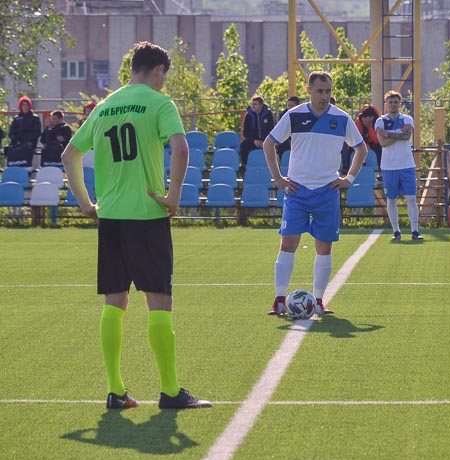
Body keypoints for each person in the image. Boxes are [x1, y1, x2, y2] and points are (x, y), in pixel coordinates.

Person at [61, 41, 211, 410]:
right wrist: (173, 196)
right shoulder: (160, 103)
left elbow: (70, 154)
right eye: (165, 75)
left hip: (110, 216)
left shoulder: (105, 106)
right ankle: (171, 391)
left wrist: (85, 203)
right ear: (158, 70)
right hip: (147, 215)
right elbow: (180, 148)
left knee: (115, 300)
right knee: (158, 300)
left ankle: (115, 391)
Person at [262, 70, 367, 316]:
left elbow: (361, 150)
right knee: (288, 242)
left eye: (328, 91)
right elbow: (269, 143)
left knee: (324, 246)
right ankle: (279, 299)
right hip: (297, 190)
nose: (325, 96)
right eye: (320, 91)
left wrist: (348, 179)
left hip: (327, 191)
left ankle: (319, 301)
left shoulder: (341, 118)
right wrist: (277, 177)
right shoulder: (294, 115)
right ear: (309, 90)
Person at [375, 90, 423, 241]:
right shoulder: (380, 121)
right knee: (391, 199)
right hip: (389, 166)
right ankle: (396, 231)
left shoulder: (407, 119)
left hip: (407, 165)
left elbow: (407, 136)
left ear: (400, 104)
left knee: (411, 198)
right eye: (391, 102)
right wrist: (399, 135)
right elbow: (382, 143)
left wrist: (388, 134)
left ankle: (415, 230)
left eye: (396, 102)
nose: (393, 105)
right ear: (386, 105)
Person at [240, 95, 275, 171]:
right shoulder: (248, 115)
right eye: (252, 104)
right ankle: (244, 165)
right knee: (244, 145)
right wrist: (254, 141)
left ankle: (272, 166)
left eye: (255, 104)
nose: (253, 106)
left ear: (261, 105)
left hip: (265, 141)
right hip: (253, 141)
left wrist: (264, 141)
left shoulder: (268, 115)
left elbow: (272, 130)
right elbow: (245, 132)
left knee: (275, 146)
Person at [6, 96, 41, 168]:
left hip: (29, 144)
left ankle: (27, 169)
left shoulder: (35, 118)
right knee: (8, 149)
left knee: (27, 148)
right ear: (20, 106)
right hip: (17, 143)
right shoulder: (16, 118)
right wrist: (16, 140)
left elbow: (37, 132)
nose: (25, 107)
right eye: (23, 105)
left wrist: (25, 140)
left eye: (27, 105)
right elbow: (11, 133)